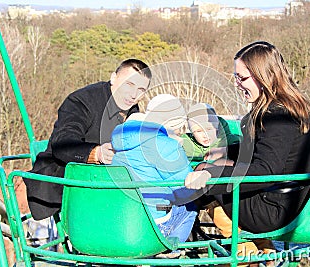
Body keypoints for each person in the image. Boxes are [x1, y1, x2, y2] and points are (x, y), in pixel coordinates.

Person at [184, 41, 310, 249]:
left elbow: (265, 169)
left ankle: (243, 250)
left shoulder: (278, 116)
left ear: (264, 77)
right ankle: (255, 246)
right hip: (291, 197)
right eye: (235, 77)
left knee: (203, 180)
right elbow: (269, 151)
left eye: (242, 78)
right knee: (206, 170)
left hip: (278, 208)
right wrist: (227, 152)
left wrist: (211, 175)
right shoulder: (287, 107)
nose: (237, 84)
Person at [25, 58, 152, 220]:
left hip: (110, 182)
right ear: (113, 78)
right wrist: (97, 153)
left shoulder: (132, 108)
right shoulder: (81, 101)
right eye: (129, 84)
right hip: (69, 181)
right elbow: (62, 143)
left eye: (141, 89)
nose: (134, 95)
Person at [111, 94, 197, 244]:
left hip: (123, 219)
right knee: (190, 208)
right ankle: (169, 250)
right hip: (154, 223)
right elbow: (185, 191)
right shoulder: (166, 145)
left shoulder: (119, 142)